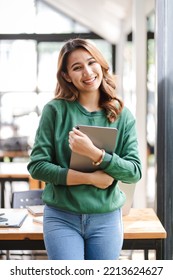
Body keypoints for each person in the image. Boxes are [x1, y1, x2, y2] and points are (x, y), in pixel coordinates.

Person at [27, 38, 142, 260]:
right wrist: (90, 179)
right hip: (62, 217)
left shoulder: (121, 115)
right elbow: (38, 166)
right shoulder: (55, 111)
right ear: (67, 76)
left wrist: (96, 154)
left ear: (101, 65)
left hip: (106, 219)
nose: (87, 72)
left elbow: (134, 171)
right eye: (77, 67)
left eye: (91, 63)